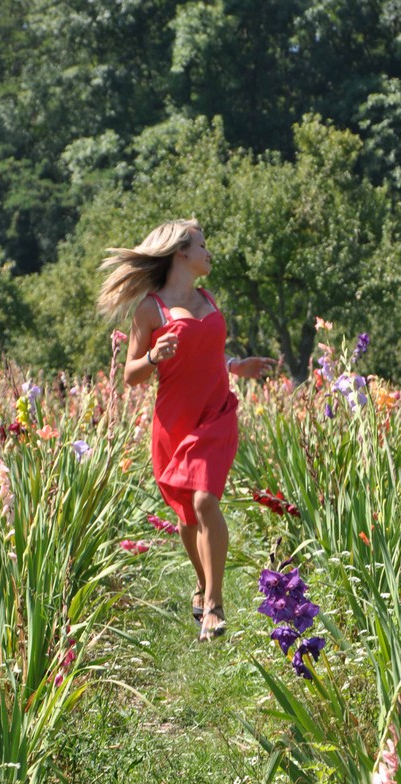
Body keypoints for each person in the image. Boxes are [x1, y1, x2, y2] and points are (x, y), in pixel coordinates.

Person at [97, 218, 276, 641]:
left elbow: (209, 353)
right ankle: (201, 584)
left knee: (204, 501)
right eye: (202, 245)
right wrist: (154, 356)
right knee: (185, 519)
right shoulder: (150, 309)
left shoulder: (209, 300)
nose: (209, 252)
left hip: (216, 415)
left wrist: (235, 366)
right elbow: (130, 376)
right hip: (173, 425)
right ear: (181, 252)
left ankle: (214, 603)